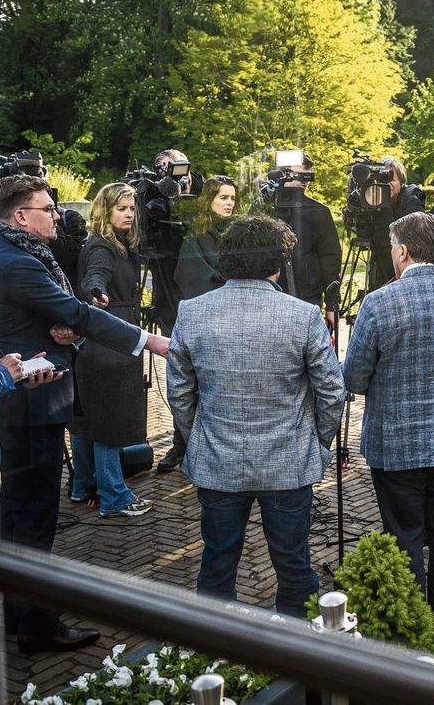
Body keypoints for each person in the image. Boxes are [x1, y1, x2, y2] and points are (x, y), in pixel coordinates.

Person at [0, 174, 169, 653]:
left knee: (19, 512)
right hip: (31, 401)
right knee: (33, 516)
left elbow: (51, 317)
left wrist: (59, 332)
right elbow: (75, 310)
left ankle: (14, 612)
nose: (56, 215)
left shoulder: (15, 254)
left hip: (31, 398)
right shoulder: (15, 261)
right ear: (20, 215)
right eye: (46, 208)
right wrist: (148, 340)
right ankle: (37, 626)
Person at [166, 216, 345, 617]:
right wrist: (318, 442)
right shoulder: (302, 315)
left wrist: (198, 436)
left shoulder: (191, 312)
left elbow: (180, 392)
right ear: (278, 264)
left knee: (216, 565)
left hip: (218, 460)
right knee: (294, 565)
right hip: (288, 462)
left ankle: (214, 658)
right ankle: (296, 660)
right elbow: (332, 390)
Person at [343, 212, 434, 644]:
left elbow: (353, 378)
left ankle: (410, 635)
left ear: (403, 251)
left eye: (392, 247)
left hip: (396, 444)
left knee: (404, 536)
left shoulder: (379, 302)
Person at [67, 183, 152, 517]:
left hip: (96, 338)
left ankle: (81, 485)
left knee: (88, 418)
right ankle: (114, 496)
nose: (129, 214)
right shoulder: (103, 247)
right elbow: (94, 277)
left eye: (132, 208)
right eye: (121, 208)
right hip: (111, 338)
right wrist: (96, 293)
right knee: (110, 422)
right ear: (105, 211)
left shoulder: (108, 243)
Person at [159, 175, 237, 472]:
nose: (229, 203)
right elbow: (192, 278)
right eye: (223, 198)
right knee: (191, 387)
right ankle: (183, 444)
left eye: (232, 198)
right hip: (205, 323)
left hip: (233, 323)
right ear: (209, 200)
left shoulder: (235, 231)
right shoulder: (196, 236)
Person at [273, 153, 341, 329]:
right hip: (270, 296)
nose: (303, 181)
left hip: (308, 297)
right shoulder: (265, 207)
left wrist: (332, 305)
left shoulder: (319, 212)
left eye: (307, 176)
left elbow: (330, 260)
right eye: (297, 175)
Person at [137, 148, 201, 335]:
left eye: (180, 167)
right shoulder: (153, 194)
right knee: (169, 321)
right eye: (168, 169)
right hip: (164, 263)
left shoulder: (205, 189)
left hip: (199, 264)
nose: (176, 173)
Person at [367, 156, 426, 292]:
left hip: (404, 272)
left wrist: (384, 207)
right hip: (379, 269)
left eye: (391, 179)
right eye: (382, 180)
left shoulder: (412, 202)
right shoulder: (372, 200)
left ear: (401, 182)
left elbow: (400, 243)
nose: (387, 184)